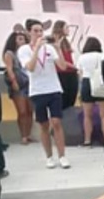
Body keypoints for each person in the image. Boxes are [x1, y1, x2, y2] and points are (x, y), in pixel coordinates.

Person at [19, 20, 70, 170]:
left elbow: (62, 66)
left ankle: (62, 156)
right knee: (43, 125)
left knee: (57, 122)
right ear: (29, 32)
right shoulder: (23, 50)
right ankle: (49, 156)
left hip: (54, 89)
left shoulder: (49, 48)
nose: (39, 34)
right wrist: (36, 49)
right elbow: (30, 67)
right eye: (35, 31)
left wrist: (58, 49)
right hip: (37, 91)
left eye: (41, 30)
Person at [78, 37, 104, 147]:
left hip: (86, 82)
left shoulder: (82, 57)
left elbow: (80, 72)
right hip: (100, 83)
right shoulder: (103, 56)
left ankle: (87, 140)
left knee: (87, 115)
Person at [4, 30, 34, 144]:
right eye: (20, 39)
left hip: (29, 82)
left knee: (30, 110)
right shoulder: (10, 53)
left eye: (24, 39)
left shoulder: (27, 52)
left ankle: (29, 133)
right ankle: (23, 135)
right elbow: (9, 69)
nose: (23, 41)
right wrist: (13, 82)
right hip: (18, 83)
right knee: (22, 111)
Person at [51, 20, 79, 110]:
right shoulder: (55, 42)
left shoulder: (66, 41)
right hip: (62, 73)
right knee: (64, 99)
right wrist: (74, 66)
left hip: (71, 73)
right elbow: (60, 60)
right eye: (66, 27)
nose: (68, 30)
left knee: (71, 98)